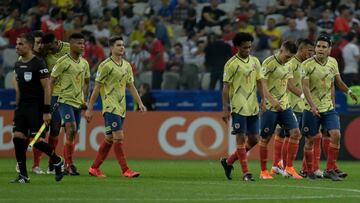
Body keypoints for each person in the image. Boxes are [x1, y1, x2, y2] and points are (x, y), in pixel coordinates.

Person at [86, 36, 146, 178]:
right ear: (111, 48)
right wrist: (89, 108)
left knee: (109, 139)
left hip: (121, 107)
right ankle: (126, 170)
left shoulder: (127, 66)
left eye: (123, 45)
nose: (122, 47)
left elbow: (131, 86)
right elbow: (96, 88)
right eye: (118, 45)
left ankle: (94, 168)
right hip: (110, 106)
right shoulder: (105, 65)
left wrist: (140, 103)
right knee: (118, 137)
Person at [301, 35, 358, 181]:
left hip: (328, 107)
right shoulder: (306, 65)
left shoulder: (333, 62)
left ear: (329, 50)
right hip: (310, 108)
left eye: (323, 47)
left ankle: (329, 169)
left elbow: (338, 82)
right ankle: (309, 171)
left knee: (336, 135)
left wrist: (349, 92)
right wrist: (312, 106)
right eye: (318, 46)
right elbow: (305, 88)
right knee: (310, 140)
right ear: (315, 48)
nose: (320, 49)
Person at [11, 33, 64, 183]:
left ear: (28, 45)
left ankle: (57, 160)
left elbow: (47, 88)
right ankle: (23, 175)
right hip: (22, 108)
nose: (17, 46)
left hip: (36, 108)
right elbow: (19, 88)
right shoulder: (18, 64)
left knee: (37, 141)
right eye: (16, 44)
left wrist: (46, 111)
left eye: (20, 44)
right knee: (17, 138)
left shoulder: (38, 63)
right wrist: (18, 105)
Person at [220, 32, 265, 181]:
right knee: (240, 138)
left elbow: (259, 82)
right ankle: (246, 173)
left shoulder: (255, 61)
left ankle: (229, 162)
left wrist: (264, 99)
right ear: (237, 47)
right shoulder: (231, 64)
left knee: (254, 139)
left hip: (252, 106)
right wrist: (225, 109)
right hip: (238, 106)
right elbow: (226, 88)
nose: (248, 50)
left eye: (250, 47)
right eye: (245, 48)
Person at [270, 39, 315, 178]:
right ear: (301, 50)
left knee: (287, 134)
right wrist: (304, 97)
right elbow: (289, 85)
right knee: (289, 134)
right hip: (291, 103)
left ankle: (279, 165)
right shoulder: (291, 63)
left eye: (312, 51)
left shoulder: (306, 64)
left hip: (302, 106)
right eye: (309, 50)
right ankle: (283, 165)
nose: (311, 53)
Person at [259, 41, 303, 180]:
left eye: (291, 57)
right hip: (270, 107)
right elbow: (262, 85)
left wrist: (304, 96)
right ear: (281, 50)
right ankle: (263, 171)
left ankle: (289, 168)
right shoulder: (268, 63)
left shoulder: (288, 64)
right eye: (287, 56)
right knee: (265, 138)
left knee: (296, 133)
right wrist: (271, 101)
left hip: (285, 106)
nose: (288, 59)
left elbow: (290, 85)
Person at [50, 33, 90, 175]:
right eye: (79, 43)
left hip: (78, 103)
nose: (82, 46)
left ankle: (66, 164)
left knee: (72, 134)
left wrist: (85, 100)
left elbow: (87, 82)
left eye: (83, 43)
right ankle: (70, 164)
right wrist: (49, 101)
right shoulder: (62, 61)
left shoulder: (85, 63)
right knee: (71, 128)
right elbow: (52, 80)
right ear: (71, 45)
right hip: (64, 100)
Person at [41, 32, 70, 174]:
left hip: (67, 93)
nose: (48, 50)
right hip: (51, 93)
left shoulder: (69, 49)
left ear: (56, 42)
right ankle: (36, 164)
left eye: (49, 47)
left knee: (57, 128)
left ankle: (52, 163)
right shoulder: (44, 52)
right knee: (45, 128)